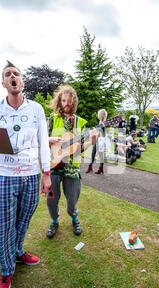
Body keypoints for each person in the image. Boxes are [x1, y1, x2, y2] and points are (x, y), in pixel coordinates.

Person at [0, 61, 51, 288]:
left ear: (22, 82)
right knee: (4, 225)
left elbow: (44, 141)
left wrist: (46, 174)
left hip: (32, 175)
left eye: (16, 74)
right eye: (7, 74)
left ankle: (17, 251)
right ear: (4, 83)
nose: (12, 77)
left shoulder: (36, 110)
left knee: (23, 220)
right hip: (4, 175)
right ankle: (6, 270)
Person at [45, 85, 98, 241]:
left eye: (69, 101)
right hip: (53, 166)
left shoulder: (79, 122)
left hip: (72, 168)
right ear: (59, 101)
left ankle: (74, 219)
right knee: (51, 200)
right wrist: (49, 139)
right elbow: (42, 140)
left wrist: (92, 142)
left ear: (74, 102)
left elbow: (80, 148)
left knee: (72, 200)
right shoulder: (52, 119)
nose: (66, 104)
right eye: (63, 100)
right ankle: (54, 221)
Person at [86, 109, 107, 175]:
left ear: (101, 115)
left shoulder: (104, 123)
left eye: (98, 114)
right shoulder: (100, 122)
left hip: (101, 140)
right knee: (93, 153)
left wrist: (94, 133)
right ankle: (90, 166)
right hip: (97, 140)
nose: (98, 115)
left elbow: (102, 133)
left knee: (100, 155)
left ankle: (101, 168)